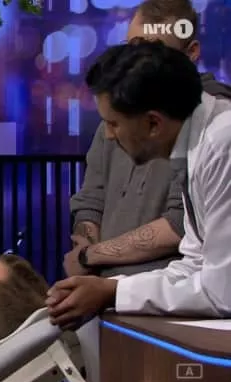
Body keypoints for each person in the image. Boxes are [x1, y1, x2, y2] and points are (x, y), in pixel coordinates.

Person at [48, 40, 231, 329]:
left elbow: (222, 292)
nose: (109, 136)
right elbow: (194, 263)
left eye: (114, 124)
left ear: (153, 124)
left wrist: (113, 292)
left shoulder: (221, 144)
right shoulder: (195, 140)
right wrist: (109, 288)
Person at [66, 0, 231, 280]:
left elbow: (181, 226)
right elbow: (91, 199)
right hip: (117, 286)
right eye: (131, 47)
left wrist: (91, 257)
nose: (134, 62)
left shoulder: (213, 129)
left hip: (165, 287)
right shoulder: (117, 114)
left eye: (151, 50)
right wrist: (88, 264)